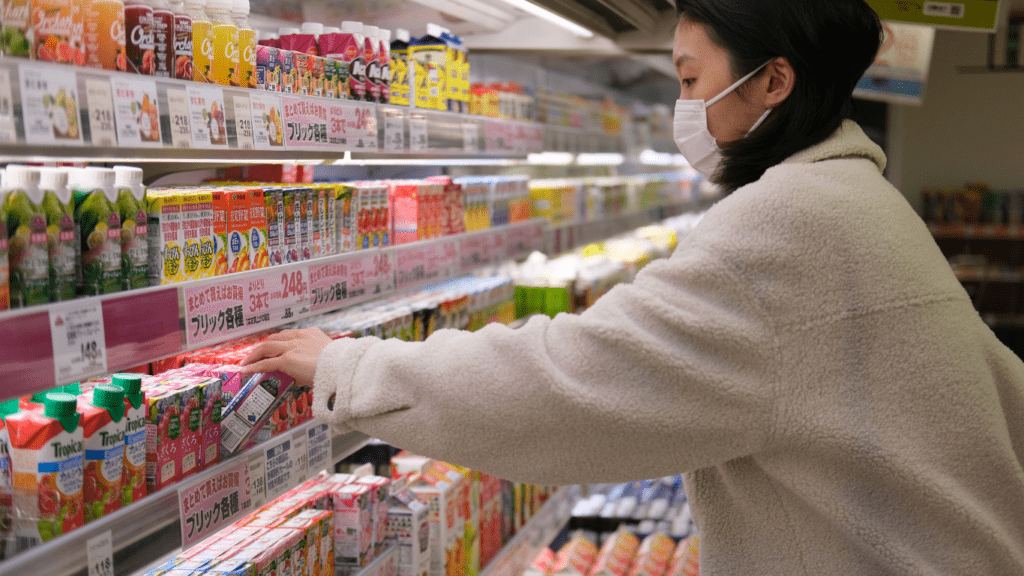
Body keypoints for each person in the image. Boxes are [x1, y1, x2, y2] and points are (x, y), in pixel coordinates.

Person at [243, 0, 1024, 573]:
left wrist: (354, 367)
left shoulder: (789, 224)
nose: (685, 108)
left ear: (773, 82)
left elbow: (568, 386)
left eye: (691, 80)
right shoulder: (859, 201)